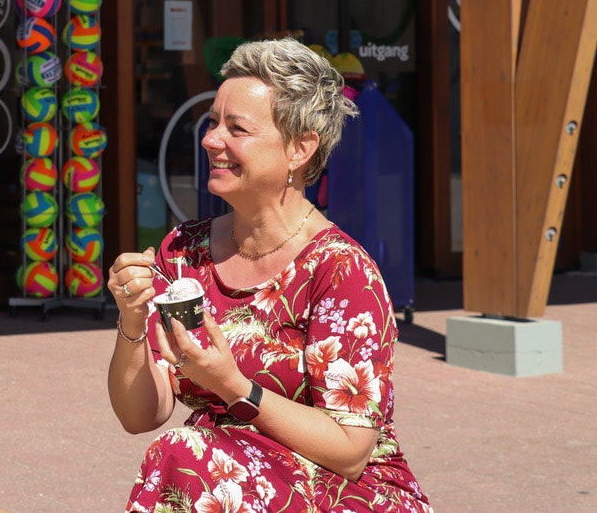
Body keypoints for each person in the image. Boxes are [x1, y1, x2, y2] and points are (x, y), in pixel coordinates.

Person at [107, 37, 431, 512]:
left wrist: (233, 385)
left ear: (300, 149)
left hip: (346, 493)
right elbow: (140, 415)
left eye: (236, 128)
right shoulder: (183, 251)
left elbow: (350, 450)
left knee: (184, 456)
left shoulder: (341, 272)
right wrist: (132, 323)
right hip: (225, 478)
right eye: (213, 122)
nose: (211, 139)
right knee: (183, 455)